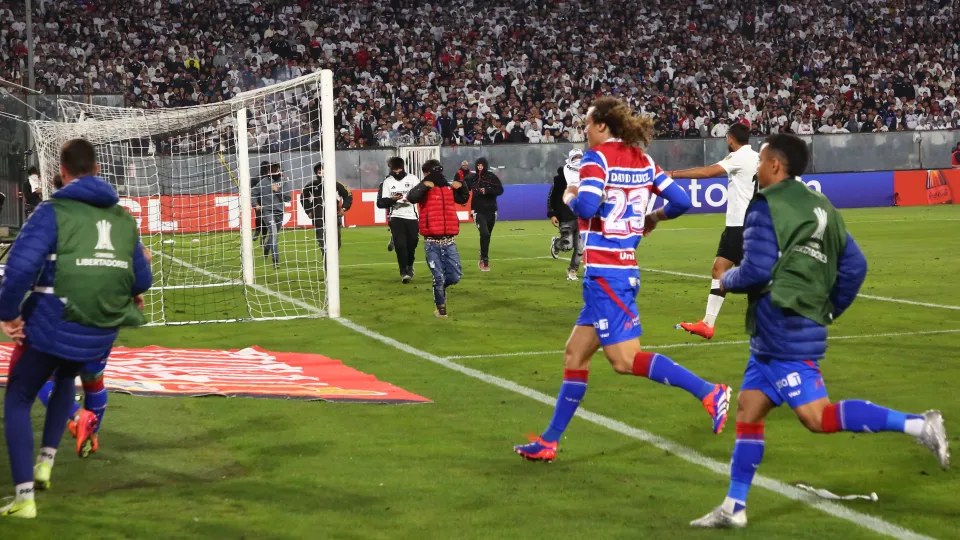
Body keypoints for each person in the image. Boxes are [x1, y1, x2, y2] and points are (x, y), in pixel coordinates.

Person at [691, 134, 949, 529]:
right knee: (748, 409)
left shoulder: (766, 204)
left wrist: (726, 280)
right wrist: (827, 309)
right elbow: (855, 265)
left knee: (817, 417)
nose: (757, 167)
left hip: (782, 327)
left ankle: (919, 424)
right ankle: (734, 507)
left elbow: (756, 270)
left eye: (761, 160)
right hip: (781, 328)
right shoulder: (820, 204)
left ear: (775, 165)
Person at [514, 97, 731, 463]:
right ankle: (549, 441)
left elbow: (586, 206)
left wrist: (569, 193)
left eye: (587, 123)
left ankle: (710, 392)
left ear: (602, 125)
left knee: (625, 360)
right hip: (617, 270)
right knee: (575, 354)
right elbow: (681, 201)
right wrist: (653, 218)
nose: (584, 129)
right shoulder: (644, 161)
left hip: (608, 275)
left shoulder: (596, 159)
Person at [0, 138, 153, 518]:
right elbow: (142, 279)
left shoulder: (52, 211)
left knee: (18, 398)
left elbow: (20, 268)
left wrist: (8, 313)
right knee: (67, 376)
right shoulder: (123, 218)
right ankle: (45, 463)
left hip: (53, 322)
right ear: (97, 170)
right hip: (99, 331)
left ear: (63, 172)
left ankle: (24, 498)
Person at [669, 123, 759, 339]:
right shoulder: (757, 158)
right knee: (722, 270)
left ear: (730, 139)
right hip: (747, 224)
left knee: (750, 278)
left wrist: (671, 173)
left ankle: (780, 320)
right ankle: (708, 324)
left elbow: (708, 172)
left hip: (740, 225)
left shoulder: (738, 157)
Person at [406, 160, 470, 318]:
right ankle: (441, 309)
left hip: (449, 241)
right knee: (438, 277)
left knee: (455, 276)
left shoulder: (448, 189)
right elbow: (411, 197)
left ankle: (441, 288)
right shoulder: (425, 189)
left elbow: (463, 199)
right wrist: (423, 186)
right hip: (431, 242)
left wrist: (462, 185)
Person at [378, 157, 421, 283]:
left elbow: (420, 195)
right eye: (394, 170)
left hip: (412, 217)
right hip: (396, 217)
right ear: (391, 169)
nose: (397, 172)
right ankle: (404, 271)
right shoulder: (387, 182)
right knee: (400, 245)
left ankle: (410, 264)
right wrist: (392, 200)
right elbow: (381, 202)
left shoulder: (413, 179)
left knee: (412, 244)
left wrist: (410, 198)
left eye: (399, 170)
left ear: (403, 168)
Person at [547, 149, 584, 281]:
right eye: (575, 157)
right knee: (567, 245)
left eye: (580, 156)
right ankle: (557, 244)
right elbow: (552, 196)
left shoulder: (588, 175)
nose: (578, 159)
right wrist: (552, 213)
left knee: (580, 247)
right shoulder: (561, 178)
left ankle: (572, 271)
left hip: (583, 216)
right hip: (566, 215)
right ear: (570, 159)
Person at [300, 163, 353, 251]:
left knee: (336, 244)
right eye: (318, 170)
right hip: (318, 218)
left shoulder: (337, 184)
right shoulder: (311, 185)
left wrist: (344, 208)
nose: (320, 171)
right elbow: (303, 197)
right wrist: (308, 211)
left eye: (322, 169)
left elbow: (348, 195)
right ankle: (325, 258)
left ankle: (331, 257)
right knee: (323, 245)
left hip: (334, 218)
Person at [465, 157, 503, 272]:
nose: (480, 167)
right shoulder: (472, 177)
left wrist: (487, 190)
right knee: (484, 233)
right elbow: (463, 187)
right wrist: (462, 198)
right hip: (478, 210)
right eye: (478, 165)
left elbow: (500, 190)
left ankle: (483, 254)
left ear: (485, 166)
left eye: (481, 165)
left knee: (487, 236)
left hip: (491, 210)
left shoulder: (492, 177)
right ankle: (484, 259)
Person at [253, 162, 289, 268]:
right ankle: (275, 261)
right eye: (270, 170)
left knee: (274, 234)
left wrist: (278, 191)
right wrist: (255, 204)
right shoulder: (263, 182)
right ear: (268, 171)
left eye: (274, 170)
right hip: (267, 212)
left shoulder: (283, 182)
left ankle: (267, 247)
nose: (272, 172)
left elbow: (288, 198)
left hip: (279, 212)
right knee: (274, 234)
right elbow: (253, 193)